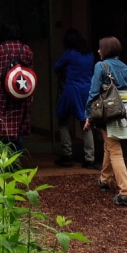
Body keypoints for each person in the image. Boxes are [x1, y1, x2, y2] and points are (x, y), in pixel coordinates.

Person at [84, 36, 127, 206]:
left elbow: (94, 92)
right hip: (124, 111)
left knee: (114, 150)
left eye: (100, 48)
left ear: (106, 50)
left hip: (108, 112)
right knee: (110, 145)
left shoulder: (100, 66)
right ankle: (105, 179)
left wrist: (88, 115)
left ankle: (125, 193)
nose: (98, 51)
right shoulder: (126, 68)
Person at [0, 21, 34, 150]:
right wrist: (30, 95)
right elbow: (30, 74)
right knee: (18, 129)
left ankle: (2, 158)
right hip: (20, 95)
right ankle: (17, 158)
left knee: (0, 128)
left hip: (1, 96)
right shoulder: (26, 49)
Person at [53, 29, 96, 168]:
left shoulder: (70, 53)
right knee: (86, 123)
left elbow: (56, 67)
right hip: (87, 90)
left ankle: (67, 154)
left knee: (62, 120)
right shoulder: (89, 54)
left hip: (71, 90)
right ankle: (89, 158)